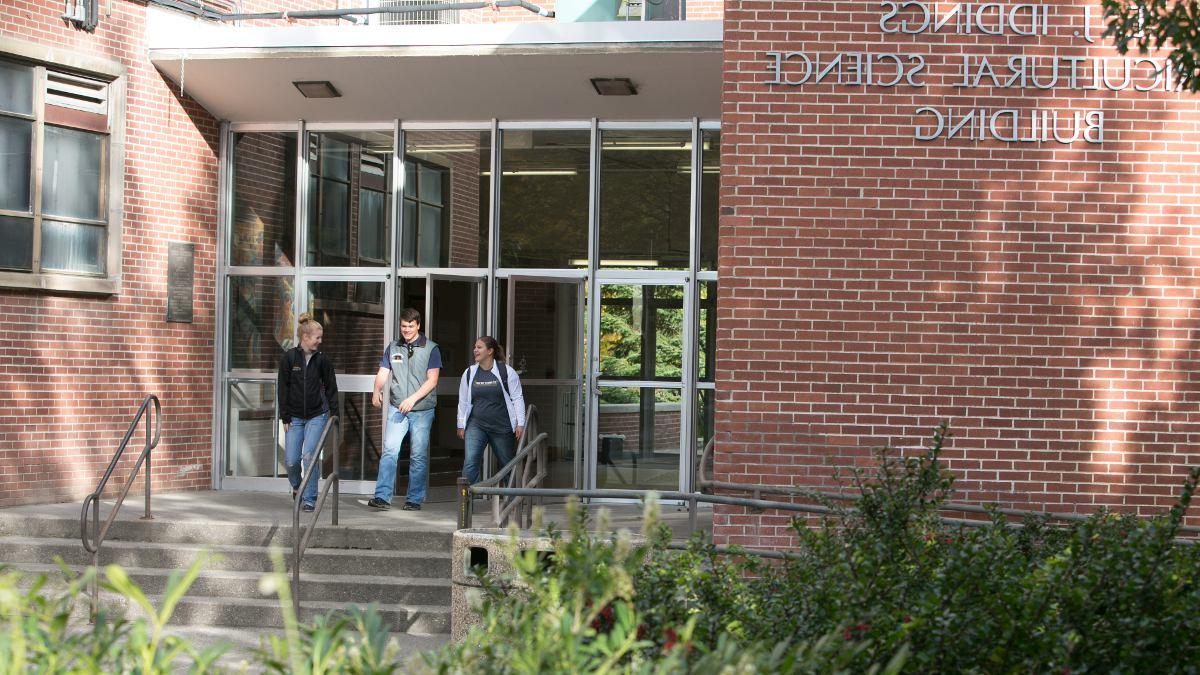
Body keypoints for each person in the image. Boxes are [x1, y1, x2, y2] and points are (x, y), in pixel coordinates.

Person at [368, 308, 441, 511]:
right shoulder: (393, 347)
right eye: (403, 326)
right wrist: (376, 391)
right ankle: (382, 497)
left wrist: (412, 399)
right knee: (390, 450)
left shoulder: (431, 348)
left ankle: (414, 499)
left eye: (410, 326)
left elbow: (433, 380)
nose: (406, 330)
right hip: (397, 408)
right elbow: (383, 372)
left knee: (418, 455)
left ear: (418, 325)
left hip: (422, 410)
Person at [277, 312, 339, 513]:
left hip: (317, 415)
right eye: (317, 338)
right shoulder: (289, 359)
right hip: (294, 416)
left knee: (309, 456)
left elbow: (331, 387)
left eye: (321, 338)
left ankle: (310, 498)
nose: (320, 341)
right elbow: (283, 388)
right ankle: (297, 487)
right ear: (305, 337)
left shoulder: (322, 360)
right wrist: (284, 416)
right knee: (292, 461)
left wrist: (334, 414)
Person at [457, 336, 526, 484]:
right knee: (470, 463)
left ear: (490, 351)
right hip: (476, 425)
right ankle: (466, 503)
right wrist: (461, 424)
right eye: (475, 347)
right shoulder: (469, 373)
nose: (475, 350)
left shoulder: (507, 372)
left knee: (507, 464)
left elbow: (517, 398)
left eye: (479, 347)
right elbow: (463, 401)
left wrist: (520, 423)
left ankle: (512, 502)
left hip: (502, 426)